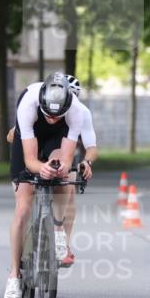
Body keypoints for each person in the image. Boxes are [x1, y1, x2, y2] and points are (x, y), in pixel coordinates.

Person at [4, 72, 89, 298]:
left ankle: (59, 231)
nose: (52, 118)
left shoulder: (76, 111)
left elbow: (68, 157)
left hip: (57, 139)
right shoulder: (28, 104)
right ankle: (13, 274)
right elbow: (30, 160)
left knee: (63, 172)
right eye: (48, 114)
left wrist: (58, 168)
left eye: (57, 115)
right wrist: (40, 169)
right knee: (23, 208)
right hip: (29, 137)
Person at [58, 74, 97, 267]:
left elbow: (91, 147)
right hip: (39, 153)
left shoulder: (82, 112)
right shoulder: (45, 106)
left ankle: (64, 245)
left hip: (66, 157)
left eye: (74, 97)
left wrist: (87, 162)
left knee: (70, 191)